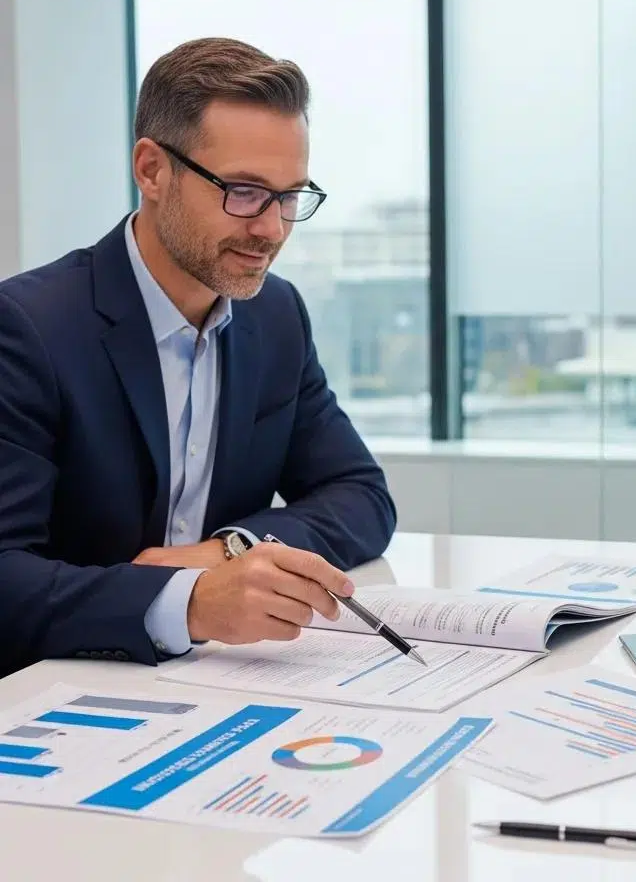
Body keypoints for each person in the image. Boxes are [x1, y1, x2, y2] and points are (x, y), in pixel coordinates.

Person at [0, 37, 396, 678]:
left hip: (213, 685)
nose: (270, 229)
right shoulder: (26, 329)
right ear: (153, 170)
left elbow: (361, 495)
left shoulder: (276, 316)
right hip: (57, 696)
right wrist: (183, 603)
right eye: (243, 191)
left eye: (290, 197)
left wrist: (226, 551)